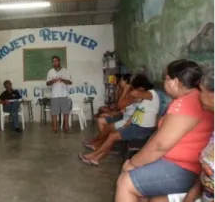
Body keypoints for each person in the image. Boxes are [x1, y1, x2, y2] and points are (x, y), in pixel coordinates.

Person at [115, 60, 214, 202]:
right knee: (145, 187)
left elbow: (160, 145)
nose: (164, 82)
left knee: (125, 181)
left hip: (184, 168)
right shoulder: (193, 100)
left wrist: (133, 163)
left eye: (166, 78)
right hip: (189, 166)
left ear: (176, 82)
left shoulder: (186, 102)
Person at [79, 74, 160, 166]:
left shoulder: (150, 94)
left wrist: (127, 89)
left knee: (112, 136)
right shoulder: (144, 97)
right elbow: (137, 112)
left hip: (143, 129)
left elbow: (132, 96)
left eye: (134, 86)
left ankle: (93, 155)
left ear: (140, 86)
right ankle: (95, 158)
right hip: (136, 125)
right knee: (111, 136)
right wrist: (128, 122)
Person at [46, 55, 72, 133]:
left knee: (65, 112)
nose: (55, 62)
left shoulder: (65, 71)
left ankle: (66, 128)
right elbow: (47, 83)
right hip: (54, 95)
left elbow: (70, 82)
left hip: (63, 94)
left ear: (59, 61)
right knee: (54, 113)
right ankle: (55, 128)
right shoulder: (50, 72)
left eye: (56, 61)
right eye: (53, 61)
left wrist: (62, 80)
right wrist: (53, 81)